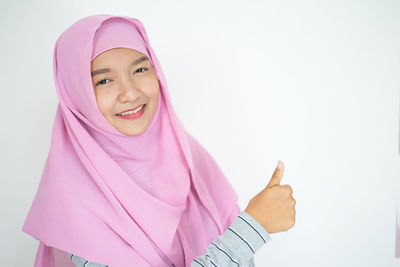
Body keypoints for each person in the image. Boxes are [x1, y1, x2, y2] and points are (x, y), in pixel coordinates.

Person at [22, 14, 296, 267]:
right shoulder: (71, 204)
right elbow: (240, 242)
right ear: (75, 94)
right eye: (104, 81)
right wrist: (253, 227)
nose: (129, 93)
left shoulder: (185, 154)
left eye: (140, 70)